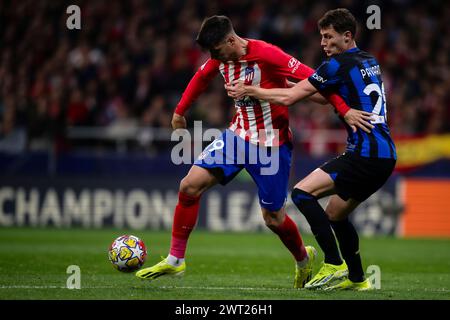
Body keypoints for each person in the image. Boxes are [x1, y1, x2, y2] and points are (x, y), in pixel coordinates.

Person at [136, 15, 372, 288]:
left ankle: (302, 258)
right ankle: (176, 260)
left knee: (273, 219)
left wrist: (344, 111)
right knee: (189, 186)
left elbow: (317, 80)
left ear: (230, 40)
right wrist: (179, 111)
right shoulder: (220, 57)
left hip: (272, 145)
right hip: (236, 137)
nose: (214, 57)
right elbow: (201, 78)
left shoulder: (269, 55)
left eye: (217, 51)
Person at [226, 8, 396, 291]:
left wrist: (253, 91)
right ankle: (358, 279)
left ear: (347, 36)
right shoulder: (368, 60)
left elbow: (292, 98)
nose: (323, 43)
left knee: (302, 194)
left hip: (365, 154)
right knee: (336, 214)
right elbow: (317, 96)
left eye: (329, 37)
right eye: (321, 36)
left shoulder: (335, 65)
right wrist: (283, 81)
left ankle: (333, 263)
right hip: (384, 155)